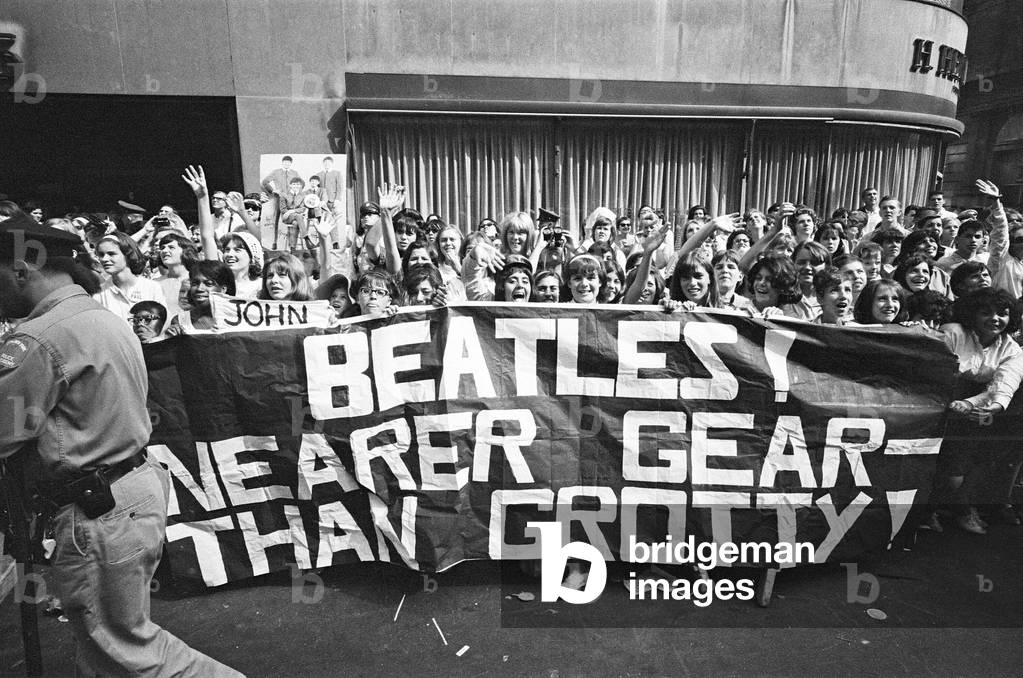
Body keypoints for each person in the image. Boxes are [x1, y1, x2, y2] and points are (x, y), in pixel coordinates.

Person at [0, 215, 242, 676]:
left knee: (126, 649)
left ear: (21, 269)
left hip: (97, 508)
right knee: (104, 649)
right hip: (127, 493)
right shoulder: (98, 318)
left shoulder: (40, 337)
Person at [933, 288, 1023, 534]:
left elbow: (1002, 385)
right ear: (972, 314)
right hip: (934, 402)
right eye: (986, 312)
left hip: (973, 411)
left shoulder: (1012, 349)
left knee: (958, 472)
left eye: (1002, 314)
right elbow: (933, 372)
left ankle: (959, 507)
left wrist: (979, 405)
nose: (995, 319)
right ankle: (925, 512)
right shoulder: (952, 333)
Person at [93, 232, 166, 321]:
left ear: (127, 254)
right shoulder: (99, 293)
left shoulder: (152, 287)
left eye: (111, 254)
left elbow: (162, 322)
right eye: (101, 255)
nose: (104, 259)